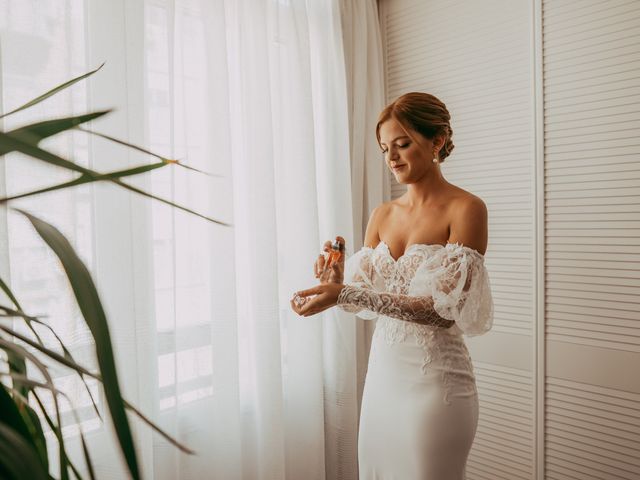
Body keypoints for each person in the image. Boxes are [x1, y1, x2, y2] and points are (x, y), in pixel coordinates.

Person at [290, 91, 494, 479]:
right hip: (383, 381)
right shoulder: (382, 214)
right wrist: (336, 283)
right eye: (386, 148)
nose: (392, 157)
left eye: (402, 144)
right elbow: (362, 299)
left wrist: (347, 292)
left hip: (436, 386)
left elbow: (440, 311)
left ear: (437, 141)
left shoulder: (466, 209)